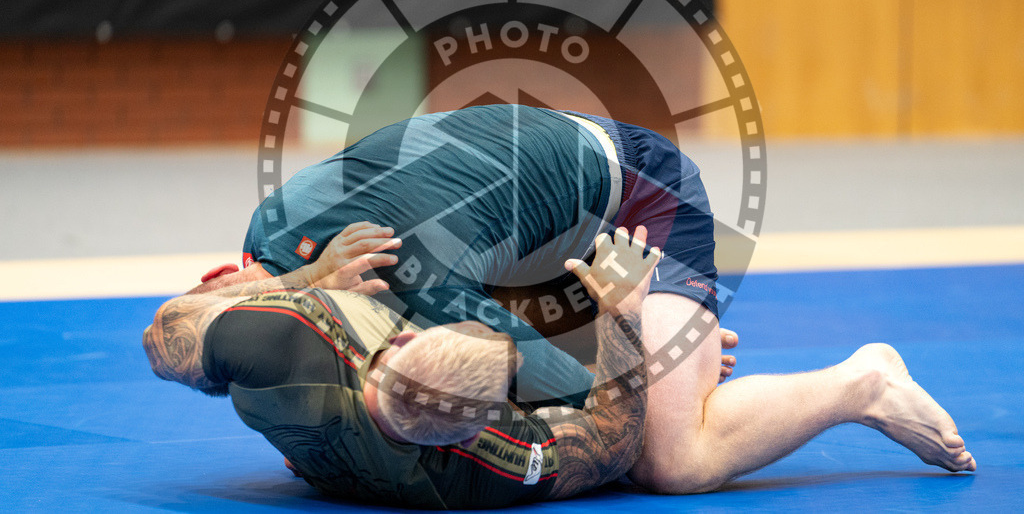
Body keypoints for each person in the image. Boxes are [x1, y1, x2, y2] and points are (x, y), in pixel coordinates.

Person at [193, 104, 976, 493]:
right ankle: (672, 345)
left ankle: (863, 381)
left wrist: (634, 327)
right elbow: (187, 335)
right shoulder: (271, 230)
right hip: (533, 223)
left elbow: (605, 401)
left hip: (647, 198)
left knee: (668, 456)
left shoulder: (409, 277)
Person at [144, 223, 660, 508]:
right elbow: (614, 444)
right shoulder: (482, 468)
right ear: (489, 421)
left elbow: (164, 332)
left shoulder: (291, 332)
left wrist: (306, 278)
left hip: (292, 396)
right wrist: (627, 315)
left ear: (401, 338)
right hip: (325, 453)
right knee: (677, 457)